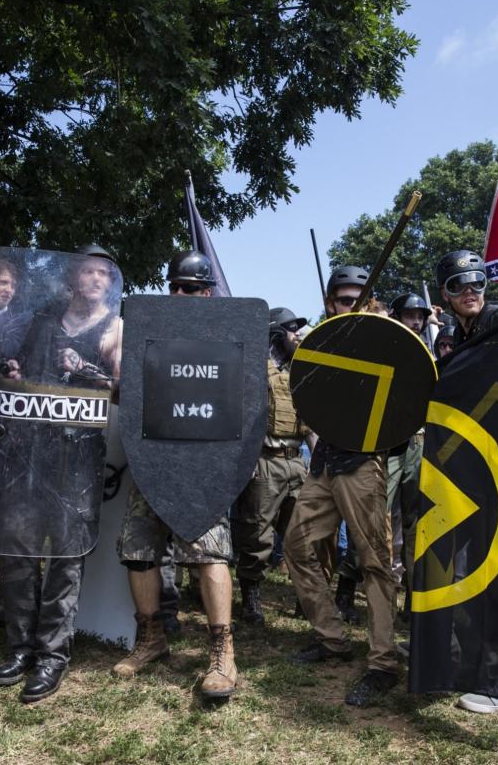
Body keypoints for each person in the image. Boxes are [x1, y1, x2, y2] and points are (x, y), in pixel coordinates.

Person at [0, 244, 123, 703]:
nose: (93, 279)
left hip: (78, 458)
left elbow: (123, 388)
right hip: (28, 452)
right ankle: (19, 646)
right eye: (85, 271)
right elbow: (19, 371)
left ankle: (52, 654)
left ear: (109, 282)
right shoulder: (44, 321)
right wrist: (11, 372)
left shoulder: (114, 327)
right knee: (17, 551)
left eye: (101, 274)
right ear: (73, 278)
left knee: (67, 559)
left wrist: (87, 368)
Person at [111, 251, 239, 700]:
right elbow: (131, 392)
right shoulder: (150, 332)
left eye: (189, 288)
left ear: (207, 292)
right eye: (174, 286)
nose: (179, 294)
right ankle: (153, 639)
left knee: (210, 553)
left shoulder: (226, 334)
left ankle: (223, 651)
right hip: (153, 459)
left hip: (203, 467)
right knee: (139, 550)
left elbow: (242, 403)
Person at [285, 265, 399, 707]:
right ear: (330, 303)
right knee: (296, 545)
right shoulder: (323, 343)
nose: (349, 306)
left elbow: (402, 381)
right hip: (326, 462)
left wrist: (377, 324)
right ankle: (331, 637)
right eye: (342, 300)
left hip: (363, 464)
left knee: (375, 563)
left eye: (358, 299)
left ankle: (383, 662)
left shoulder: (382, 339)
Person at [232, 307, 309, 626]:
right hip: (264, 460)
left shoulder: (302, 370)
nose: (298, 335)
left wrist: (315, 465)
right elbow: (240, 415)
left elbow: (311, 422)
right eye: (292, 330)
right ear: (276, 333)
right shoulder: (254, 369)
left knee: (304, 534)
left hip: (297, 462)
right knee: (256, 534)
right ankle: (251, 598)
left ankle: (306, 600)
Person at [436, 250, 498, 346]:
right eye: (458, 286)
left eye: (476, 284)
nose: (469, 291)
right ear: (445, 294)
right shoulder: (458, 335)